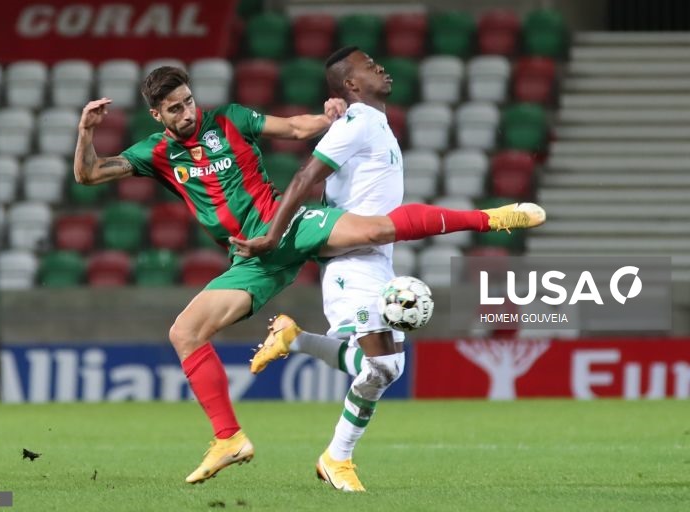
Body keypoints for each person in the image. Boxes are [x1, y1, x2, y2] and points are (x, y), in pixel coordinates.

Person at [75, 65, 544, 485]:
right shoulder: (154, 153)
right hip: (253, 263)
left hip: (287, 226)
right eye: (174, 109)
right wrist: (86, 133)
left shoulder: (230, 120)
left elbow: (297, 127)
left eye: (189, 102)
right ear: (157, 115)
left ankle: (493, 218)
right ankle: (229, 439)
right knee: (185, 333)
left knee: (378, 230)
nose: (186, 113)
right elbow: (90, 174)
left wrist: (330, 116)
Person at [232, 47, 547, 492]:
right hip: (350, 261)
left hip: (377, 258)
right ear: (352, 85)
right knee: (380, 369)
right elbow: (306, 177)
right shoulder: (358, 122)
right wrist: (271, 236)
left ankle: (295, 339)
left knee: (388, 367)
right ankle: (336, 458)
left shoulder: (373, 122)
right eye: (367, 65)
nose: (379, 66)